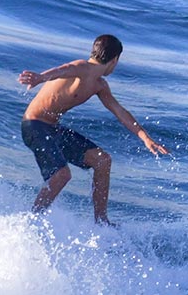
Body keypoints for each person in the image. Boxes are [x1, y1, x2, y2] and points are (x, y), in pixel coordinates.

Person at [18, 34, 169, 224]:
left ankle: (101, 221)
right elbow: (63, 70)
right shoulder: (83, 67)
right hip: (34, 125)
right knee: (62, 175)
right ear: (115, 60)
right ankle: (31, 221)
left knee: (102, 161)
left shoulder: (100, 85)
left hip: (52, 129)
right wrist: (41, 77)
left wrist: (144, 137)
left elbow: (120, 111)